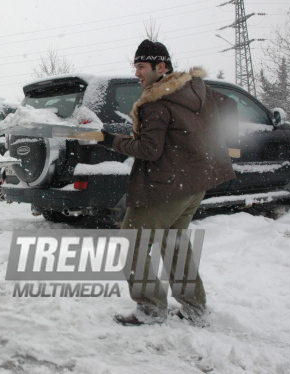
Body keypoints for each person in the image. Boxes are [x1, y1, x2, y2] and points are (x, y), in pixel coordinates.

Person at [99, 40, 237, 326]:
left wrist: (113, 140)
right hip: (195, 183)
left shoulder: (156, 103)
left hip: (166, 187)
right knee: (174, 241)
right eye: (135, 66)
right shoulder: (196, 89)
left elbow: (149, 150)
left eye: (141, 67)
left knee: (130, 243)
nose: (137, 73)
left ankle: (150, 308)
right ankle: (194, 306)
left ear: (161, 67)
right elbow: (229, 105)